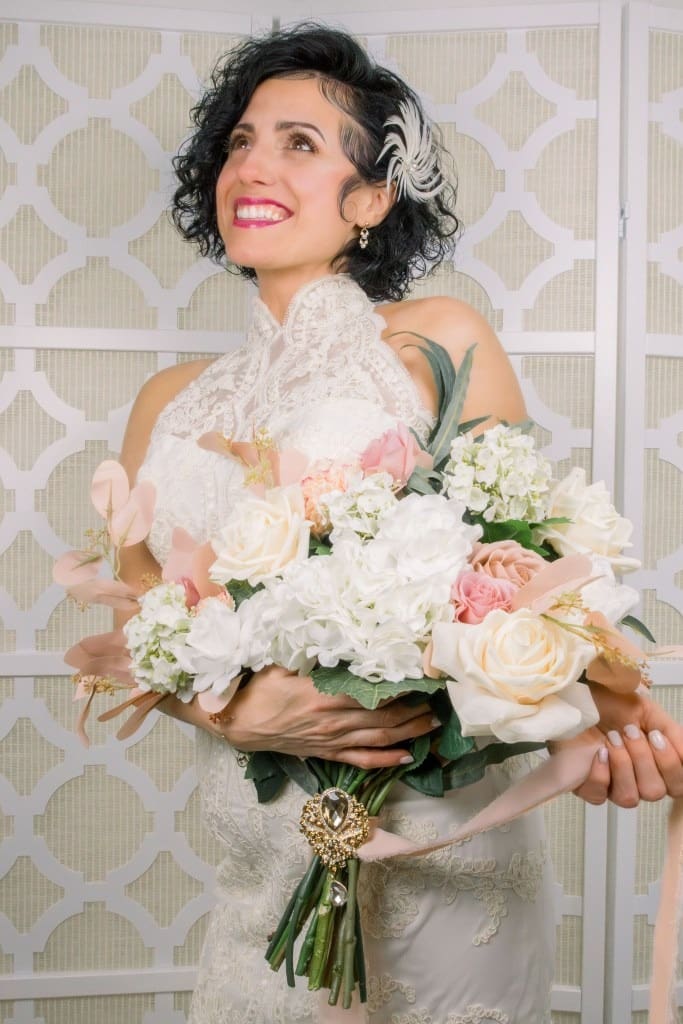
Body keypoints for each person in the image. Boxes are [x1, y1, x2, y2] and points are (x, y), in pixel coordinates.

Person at [116, 23, 683, 1023]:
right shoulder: (166, 401)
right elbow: (133, 633)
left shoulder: (436, 338)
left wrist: (616, 704)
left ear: (371, 196)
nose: (252, 163)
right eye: (239, 141)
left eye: (299, 142)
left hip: (442, 841)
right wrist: (227, 711)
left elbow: (520, 563)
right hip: (261, 860)